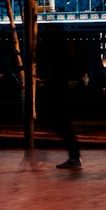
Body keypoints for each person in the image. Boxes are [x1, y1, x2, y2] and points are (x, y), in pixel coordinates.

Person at [40, 30, 82, 169]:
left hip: (57, 89)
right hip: (61, 89)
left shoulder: (54, 56)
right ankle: (74, 157)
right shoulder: (66, 51)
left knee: (61, 123)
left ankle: (74, 158)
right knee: (62, 123)